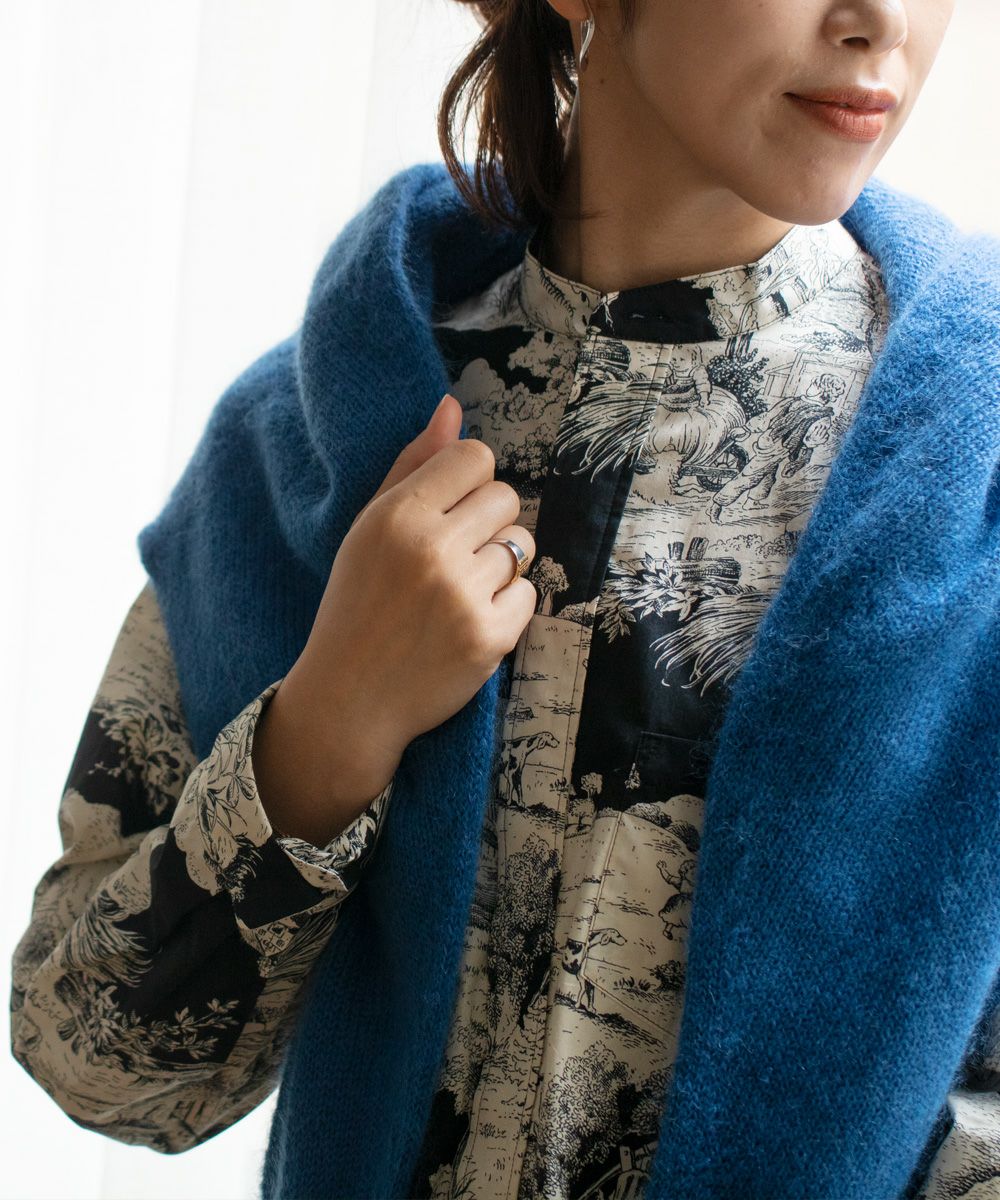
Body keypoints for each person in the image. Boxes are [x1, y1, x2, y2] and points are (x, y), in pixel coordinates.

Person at [10, 2, 1000, 1198]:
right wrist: (328, 727)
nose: (881, 18)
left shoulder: (970, 483)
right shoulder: (306, 450)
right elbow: (99, 1067)